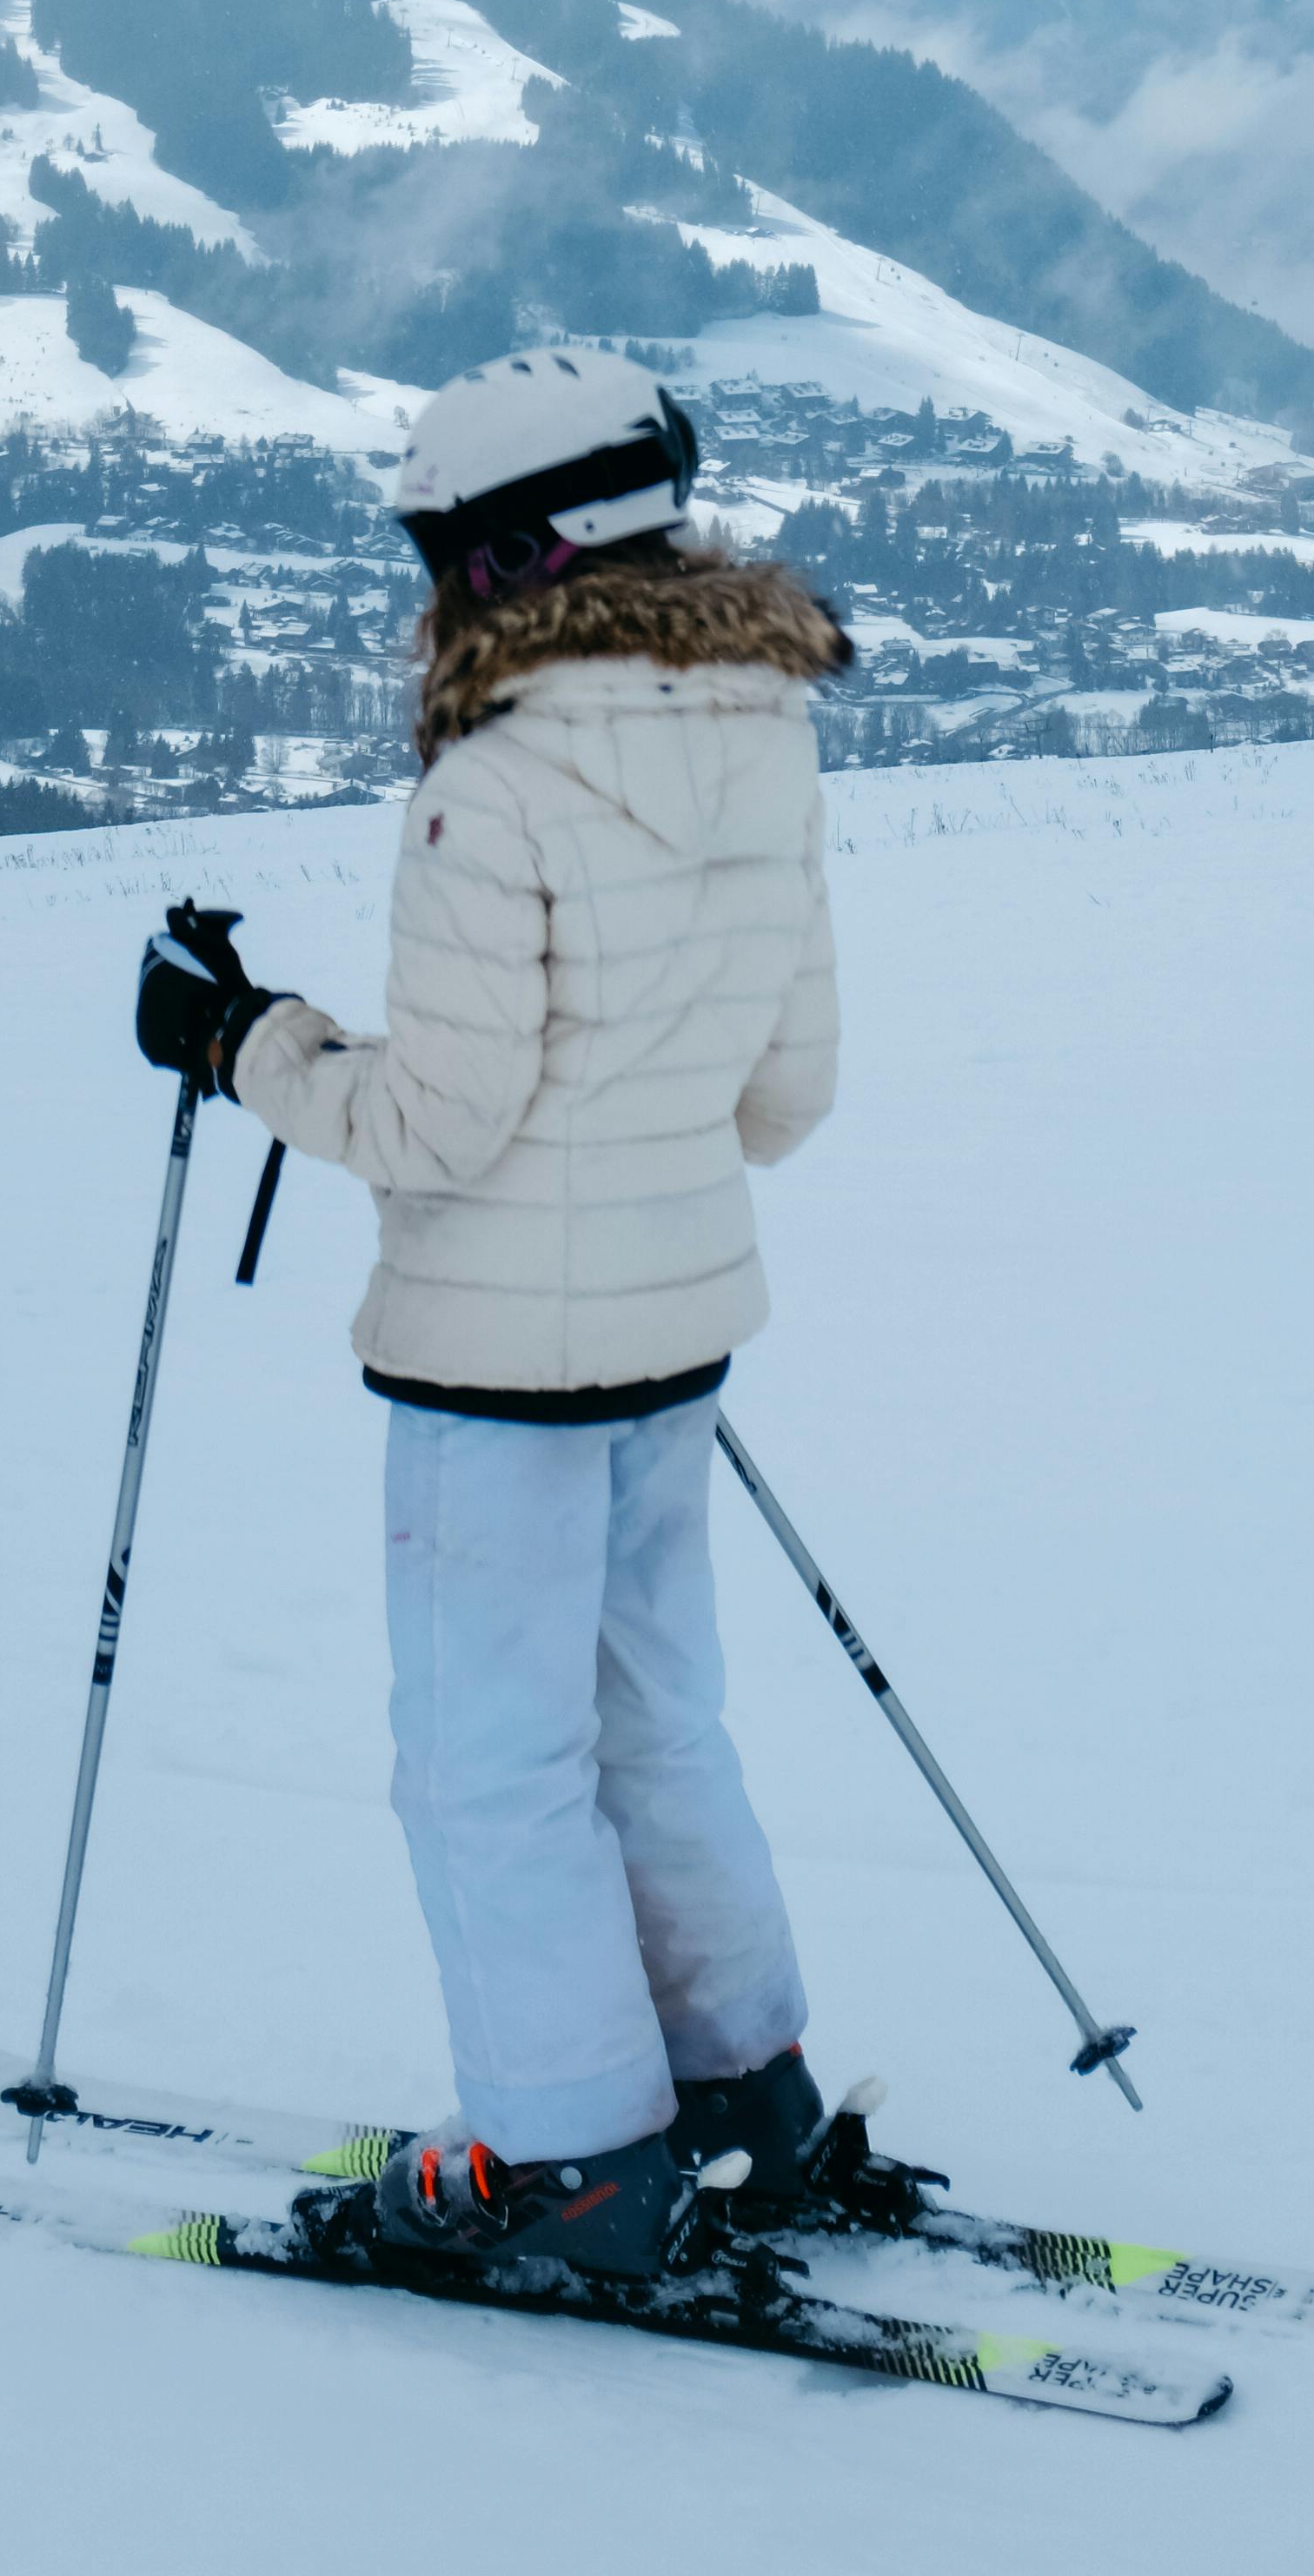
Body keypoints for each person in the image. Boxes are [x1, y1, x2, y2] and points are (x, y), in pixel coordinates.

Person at [136, 347, 853, 2281]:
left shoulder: (495, 785)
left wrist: (237, 1042)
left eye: (444, 551)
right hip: (674, 1332)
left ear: (511, 555)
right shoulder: (764, 731)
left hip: (495, 1373)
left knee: (484, 1763)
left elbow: (432, 1132)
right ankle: (738, 2086)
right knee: (654, 1722)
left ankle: (570, 2163)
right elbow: (783, 1097)